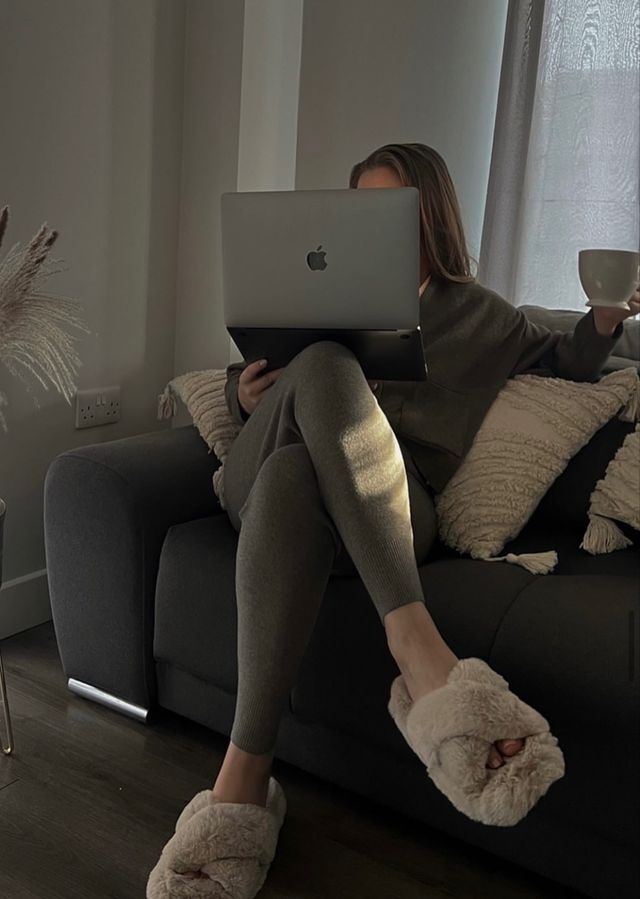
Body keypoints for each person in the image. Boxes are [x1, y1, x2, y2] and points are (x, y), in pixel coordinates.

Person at [147, 142, 638, 893]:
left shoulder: (482, 317)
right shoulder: (320, 295)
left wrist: (605, 318)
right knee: (318, 370)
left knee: (291, 476)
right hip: (257, 467)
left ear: (428, 216)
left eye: (391, 210)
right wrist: (241, 393)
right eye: (361, 210)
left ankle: (241, 784)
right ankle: (418, 647)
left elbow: (566, 359)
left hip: (393, 511)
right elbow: (251, 365)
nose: (373, 227)